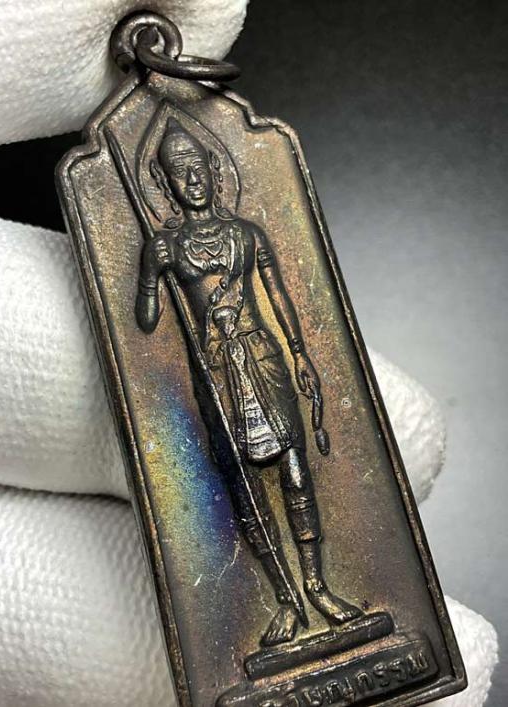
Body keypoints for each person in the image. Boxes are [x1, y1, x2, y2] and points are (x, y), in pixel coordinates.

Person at [136, 117, 361, 646]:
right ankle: (285, 600)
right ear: (166, 183)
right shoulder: (167, 247)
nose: (193, 180)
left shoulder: (246, 234)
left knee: (295, 468)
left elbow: (279, 298)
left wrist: (301, 354)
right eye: (180, 173)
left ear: (214, 171)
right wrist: (151, 272)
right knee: (242, 484)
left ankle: (317, 585)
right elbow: (145, 322)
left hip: (261, 357)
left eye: (198, 168)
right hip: (215, 372)